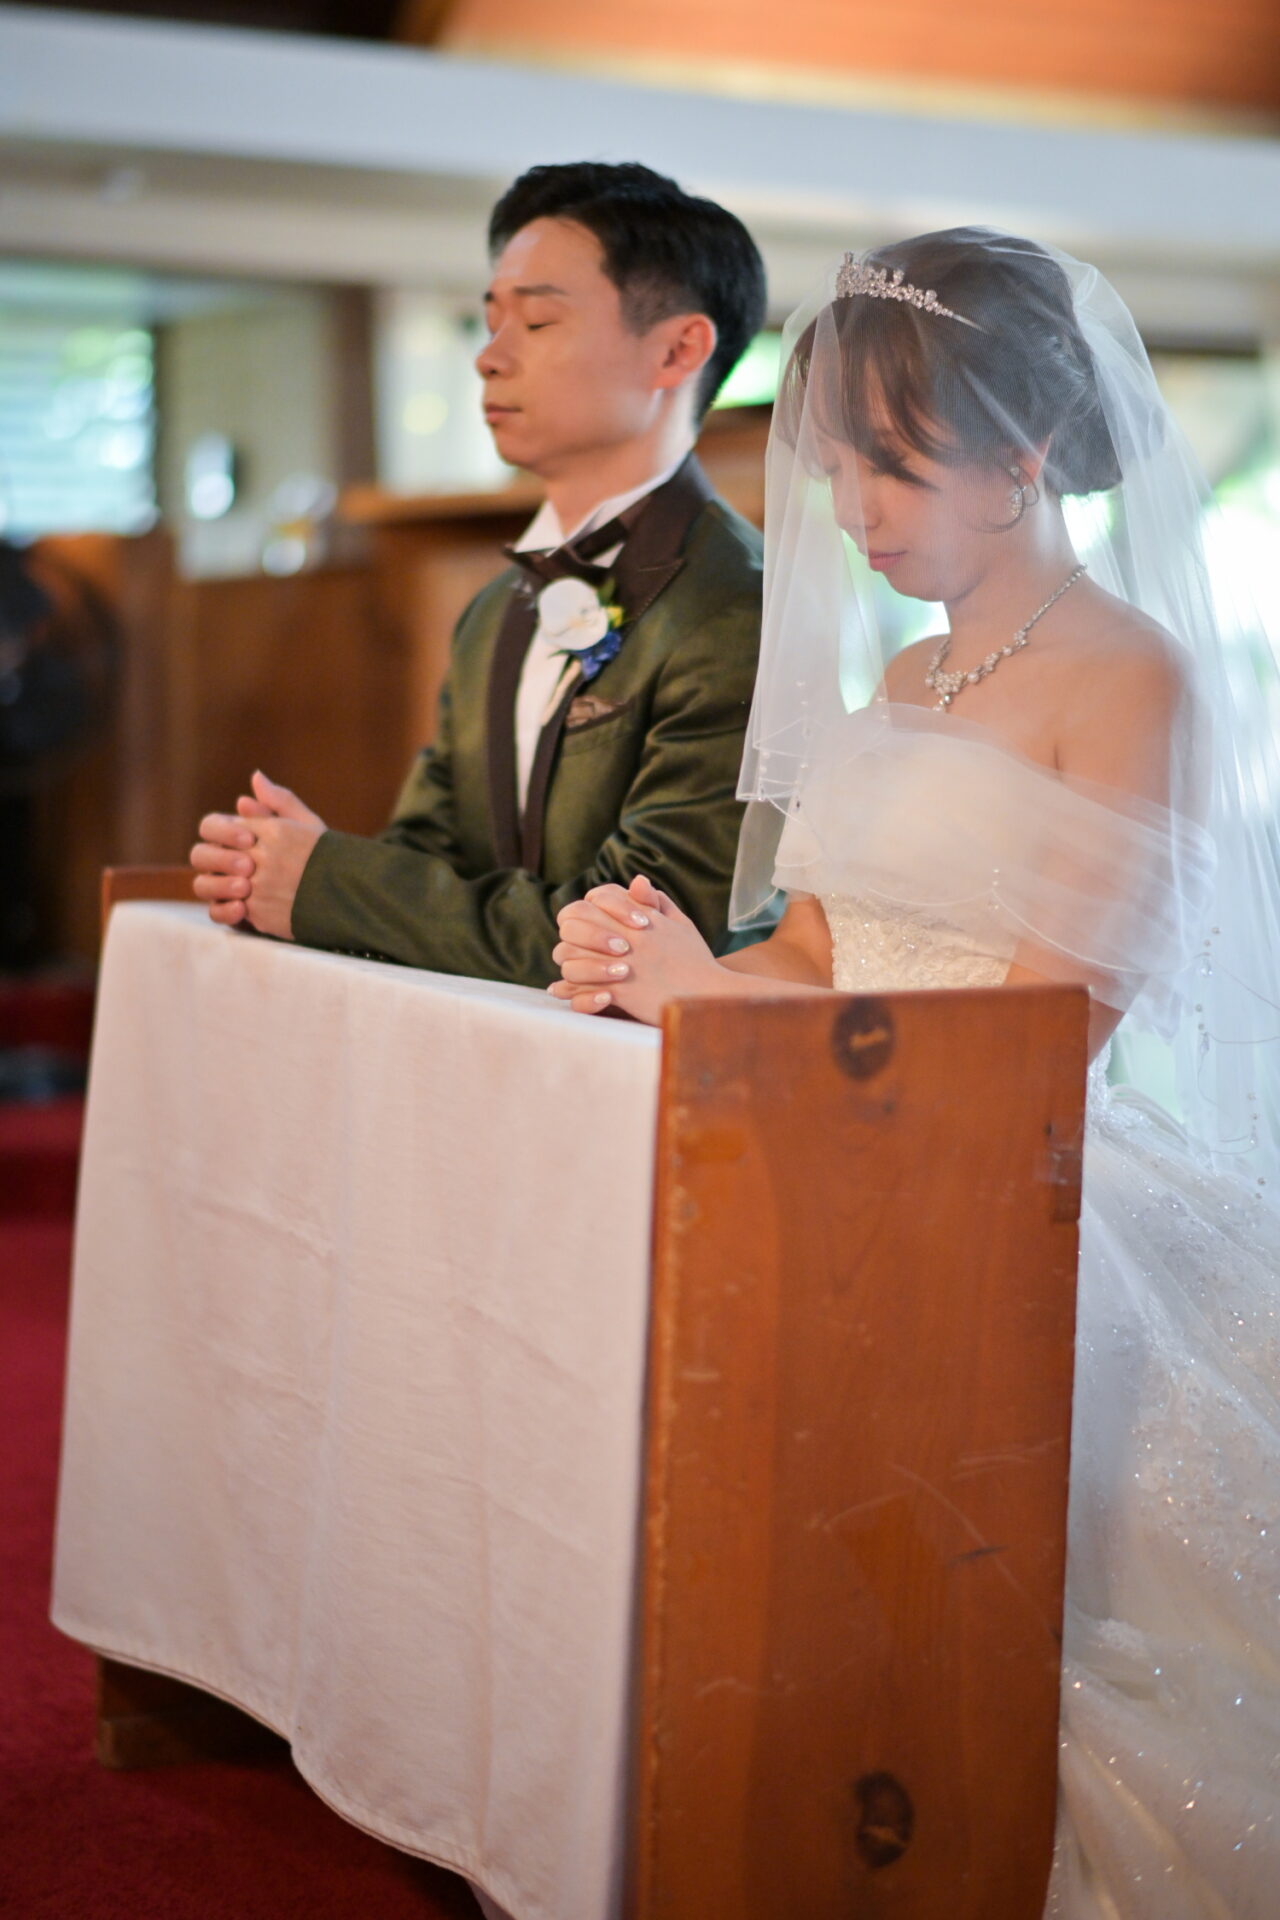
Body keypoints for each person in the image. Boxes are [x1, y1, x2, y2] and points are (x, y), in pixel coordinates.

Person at [552, 228, 1280, 1916]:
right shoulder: (901, 674)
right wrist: (663, 966)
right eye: (839, 468)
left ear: (1023, 457)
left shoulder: (1139, 679)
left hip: (1020, 1194)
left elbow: (1045, 1035)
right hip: (839, 1135)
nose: (855, 512)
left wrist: (717, 1013)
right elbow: (819, 952)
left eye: (892, 465)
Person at [189, 162, 767, 982]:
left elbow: (635, 940)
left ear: (678, 349)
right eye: (491, 321)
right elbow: (434, 850)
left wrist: (330, 886)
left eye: (537, 321)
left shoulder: (736, 604)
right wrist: (293, 869)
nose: (489, 357)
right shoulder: (498, 604)